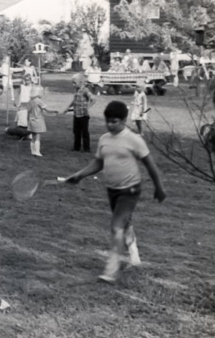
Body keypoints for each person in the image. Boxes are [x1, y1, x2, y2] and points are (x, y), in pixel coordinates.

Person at [65, 100, 166, 282]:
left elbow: (150, 165)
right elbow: (98, 163)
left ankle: (111, 272)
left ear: (125, 120)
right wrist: (79, 175)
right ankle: (134, 255)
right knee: (124, 223)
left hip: (130, 189)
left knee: (117, 226)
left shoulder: (134, 139)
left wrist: (159, 188)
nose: (110, 125)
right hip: (112, 190)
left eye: (115, 121)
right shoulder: (104, 139)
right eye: (108, 121)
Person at [63, 73, 95, 152]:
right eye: (72, 83)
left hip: (84, 115)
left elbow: (93, 99)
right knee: (76, 132)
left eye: (74, 83)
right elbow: (75, 101)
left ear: (81, 82)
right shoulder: (77, 91)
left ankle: (86, 148)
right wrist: (68, 108)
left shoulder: (85, 90)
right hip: (76, 115)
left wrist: (88, 107)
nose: (73, 85)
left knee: (85, 132)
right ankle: (76, 147)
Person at [27, 86, 58, 157]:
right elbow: (47, 109)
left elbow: (28, 111)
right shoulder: (39, 101)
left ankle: (32, 151)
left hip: (31, 120)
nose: (42, 94)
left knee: (33, 137)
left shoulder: (30, 101)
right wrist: (54, 111)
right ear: (38, 93)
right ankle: (37, 152)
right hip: (38, 120)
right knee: (38, 136)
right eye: (41, 92)